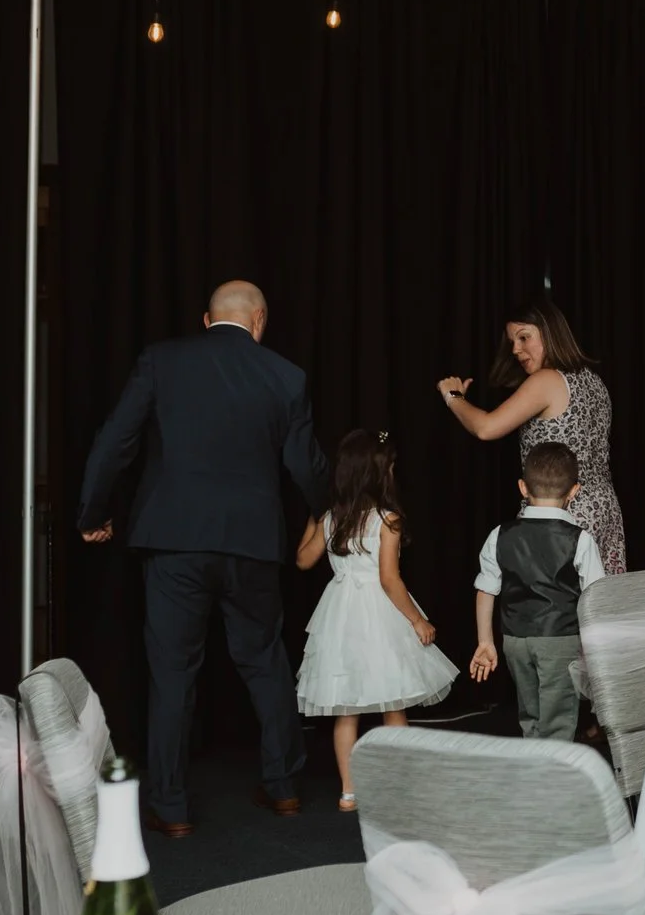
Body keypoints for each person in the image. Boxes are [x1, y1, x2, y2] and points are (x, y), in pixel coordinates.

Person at [76, 279, 329, 834]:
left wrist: (92, 513)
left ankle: (170, 808)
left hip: (174, 540)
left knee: (172, 672)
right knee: (264, 659)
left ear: (207, 319)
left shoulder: (162, 362)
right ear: (259, 320)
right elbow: (307, 466)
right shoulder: (286, 376)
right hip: (254, 542)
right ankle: (284, 787)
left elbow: (116, 440)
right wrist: (323, 514)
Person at [293, 430, 457, 810]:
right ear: (377, 474)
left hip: (339, 614)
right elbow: (389, 579)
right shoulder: (388, 519)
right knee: (392, 705)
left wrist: (314, 516)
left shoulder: (332, 518)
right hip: (378, 614)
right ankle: (398, 788)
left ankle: (349, 792)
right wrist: (417, 620)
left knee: (346, 710)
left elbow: (303, 560)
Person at [439, 297, 627, 574]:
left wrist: (452, 396)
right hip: (604, 509)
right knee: (599, 607)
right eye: (512, 341)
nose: (516, 349)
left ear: (549, 332)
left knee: (549, 609)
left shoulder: (547, 380)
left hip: (561, 515)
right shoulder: (592, 379)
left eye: (524, 337)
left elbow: (486, 428)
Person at [469, 442, 606, 742]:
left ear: (522, 487)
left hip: (515, 641)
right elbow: (597, 599)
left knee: (530, 715)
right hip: (559, 639)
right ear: (574, 491)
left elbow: (486, 590)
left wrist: (485, 642)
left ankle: (534, 775)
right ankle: (553, 783)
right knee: (557, 720)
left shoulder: (499, 534)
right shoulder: (580, 540)